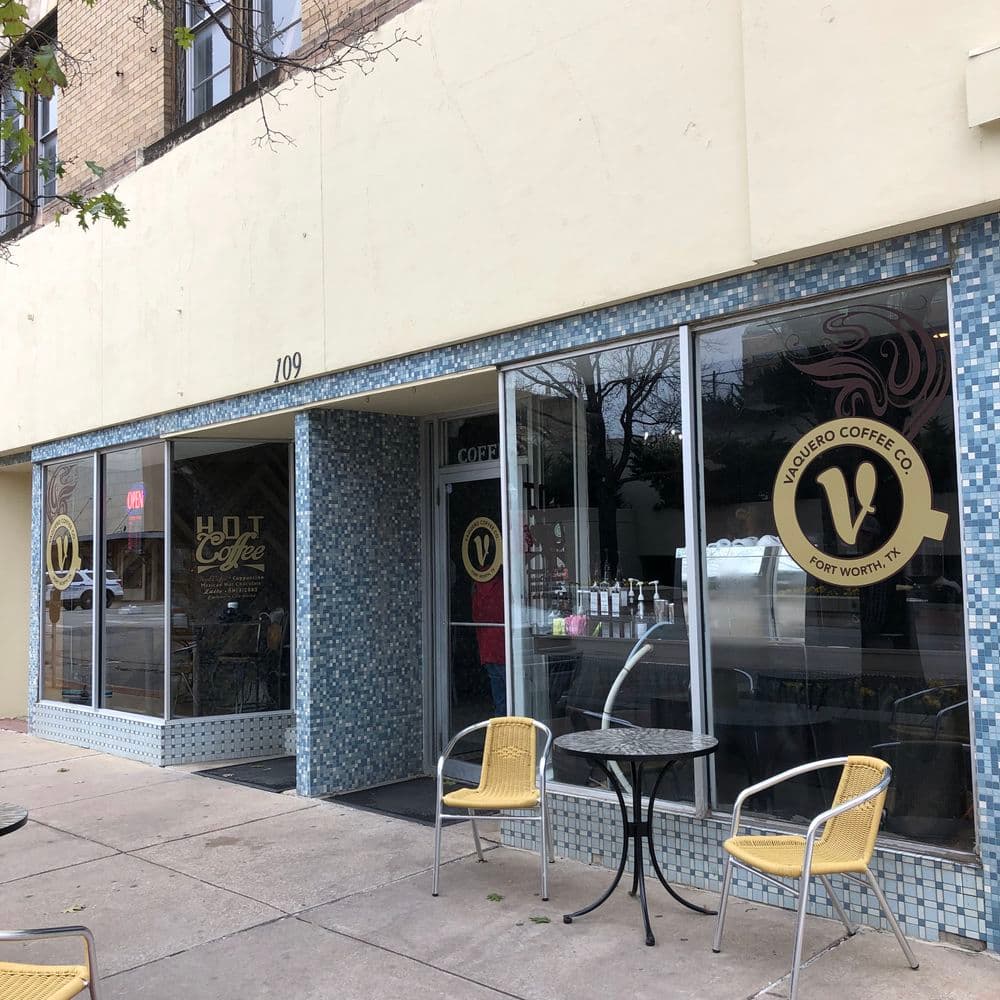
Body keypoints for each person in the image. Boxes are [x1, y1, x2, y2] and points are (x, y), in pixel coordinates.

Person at [472, 567, 507, 716]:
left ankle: (500, 731)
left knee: (499, 697)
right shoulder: (503, 584)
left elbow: (476, 616)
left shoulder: (477, 588)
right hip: (503, 646)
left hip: (487, 647)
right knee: (514, 694)